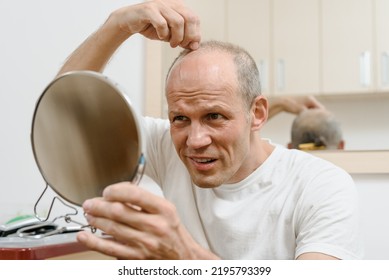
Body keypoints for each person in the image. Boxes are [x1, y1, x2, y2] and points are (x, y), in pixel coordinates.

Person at [57, 0, 362, 259]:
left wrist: (185, 254)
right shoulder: (166, 147)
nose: (195, 140)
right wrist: (116, 26)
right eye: (180, 118)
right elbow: (60, 110)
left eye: (214, 116)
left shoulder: (322, 187)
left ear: (256, 114)